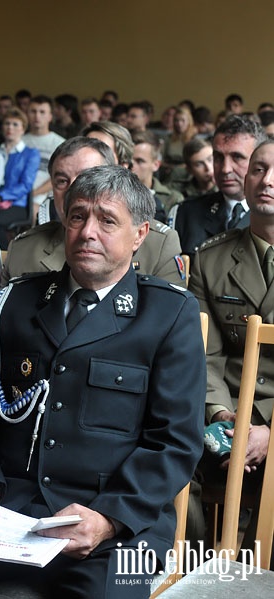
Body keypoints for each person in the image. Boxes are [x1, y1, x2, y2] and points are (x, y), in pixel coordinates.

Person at [0, 164, 205, 599]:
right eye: (78, 216)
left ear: (139, 235)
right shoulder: (18, 300)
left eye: (107, 221)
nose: (87, 232)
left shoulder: (167, 315)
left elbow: (175, 441)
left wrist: (107, 519)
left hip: (116, 523)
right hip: (5, 506)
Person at [188, 140, 274, 544]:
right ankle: (194, 569)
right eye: (258, 169)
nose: (267, 180)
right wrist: (224, 417)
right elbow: (206, 352)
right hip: (224, 413)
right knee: (175, 457)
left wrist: (268, 431)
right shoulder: (212, 259)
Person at [4, 137, 185, 287]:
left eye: (87, 178)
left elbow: (167, 319)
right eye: (61, 181)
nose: (73, 190)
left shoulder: (157, 245)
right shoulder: (24, 250)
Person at [174, 115, 265, 255]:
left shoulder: (268, 215)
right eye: (218, 158)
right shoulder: (186, 214)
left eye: (237, 157)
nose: (225, 169)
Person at [0, 108, 39, 246]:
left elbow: (26, 185)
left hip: (17, 203)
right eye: (7, 124)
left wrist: (2, 196)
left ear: (23, 129)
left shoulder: (30, 153)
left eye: (15, 124)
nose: (10, 128)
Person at [23, 95, 65, 209]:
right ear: (27, 114)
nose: (37, 116)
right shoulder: (20, 141)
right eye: (33, 111)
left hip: (47, 196)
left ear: (50, 116)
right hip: (20, 193)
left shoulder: (60, 143)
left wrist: (34, 193)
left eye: (42, 112)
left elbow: (61, 177)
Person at [130, 131, 183, 218]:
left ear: (156, 165)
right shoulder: (113, 195)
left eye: (140, 161)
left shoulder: (171, 199)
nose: (131, 166)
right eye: (128, 160)